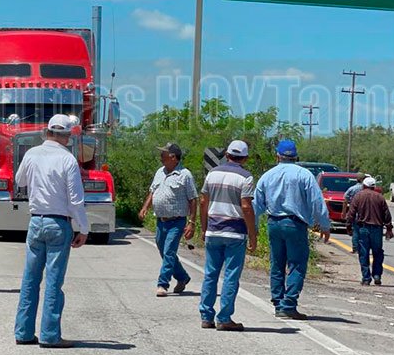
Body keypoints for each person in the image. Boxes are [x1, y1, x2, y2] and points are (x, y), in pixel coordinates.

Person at [13, 115, 89, 348]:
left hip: (36, 221)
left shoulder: (32, 154)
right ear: (67, 136)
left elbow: (20, 181)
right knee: (54, 282)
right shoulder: (67, 159)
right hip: (58, 223)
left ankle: (23, 332)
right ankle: (49, 335)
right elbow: (75, 200)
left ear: (47, 132)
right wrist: (83, 228)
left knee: (30, 279)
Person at [253, 139, 331, 320]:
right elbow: (316, 201)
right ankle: (288, 304)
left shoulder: (267, 176)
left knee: (277, 264)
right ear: (296, 156)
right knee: (296, 264)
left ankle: (278, 303)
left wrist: (253, 227)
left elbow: (256, 204)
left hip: (274, 223)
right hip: (295, 224)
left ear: (277, 156)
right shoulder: (304, 175)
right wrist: (324, 224)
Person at [198, 140, 257, 332]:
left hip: (213, 230)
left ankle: (206, 316)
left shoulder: (212, 174)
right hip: (235, 233)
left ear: (227, 155)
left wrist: (203, 228)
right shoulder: (246, 177)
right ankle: (224, 318)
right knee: (231, 275)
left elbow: (203, 202)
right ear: (245, 158)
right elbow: (246, 206)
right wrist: (253, 234)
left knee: (210, 274)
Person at [138, 142, 198, 297]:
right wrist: (145, 207)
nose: (160, 157)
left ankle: (162, 284)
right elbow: (153, 192)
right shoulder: (160, 172)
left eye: (163, 154)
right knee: (164, 251)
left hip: (176, 221)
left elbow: (193, 199)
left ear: (173, 157)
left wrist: (191, 223)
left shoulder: (185, 175)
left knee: (169, 251)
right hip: (161, 221)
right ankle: (182, 277)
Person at [346, 177, 394, 286]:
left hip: (363, 228)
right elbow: (386, 215)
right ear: (374, 187)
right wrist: (389, 229)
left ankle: (366, 278)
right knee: (378, 252)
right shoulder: (380, 197)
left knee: (364, 253)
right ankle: (377, 275)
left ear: (364, 186)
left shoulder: (358, 196)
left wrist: (348, 226)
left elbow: (351, 213)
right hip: (377, 229)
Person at [344, 173, 367, 254]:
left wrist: (344, 212)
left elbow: (345, 200)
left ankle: (355, 248)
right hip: (365, 213)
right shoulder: (367, 190)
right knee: (364, 231)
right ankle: (363, 248)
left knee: (356, 231)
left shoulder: (352, 189)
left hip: (354, 212)